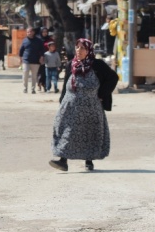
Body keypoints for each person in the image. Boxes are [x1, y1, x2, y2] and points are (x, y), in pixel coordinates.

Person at [49, 38, 119, 172]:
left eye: (82, 48)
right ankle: (63, 161)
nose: (79, 50)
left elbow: (113, 78)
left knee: (89, 132)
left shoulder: (97, 65)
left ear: (88, 50)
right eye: (77, 47)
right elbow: (65, 85)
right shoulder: (71, 64)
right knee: (66, 131)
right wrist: (62, 101)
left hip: (91, 107)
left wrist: (101, 94)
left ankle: (89, 161)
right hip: (70, 105)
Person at [19, 27, 45, 94]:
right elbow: (21, 50)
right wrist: (20, 58)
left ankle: (33, 89)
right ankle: (25, 88)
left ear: (33, 32)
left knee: (34, 76)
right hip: (26, 60)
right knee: (25, 74)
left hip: (36, 61)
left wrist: (41, 57)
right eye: (28, 32)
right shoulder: (24, 40)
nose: (29, 33)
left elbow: (42, 50)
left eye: (30, 31)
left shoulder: (38, 41)